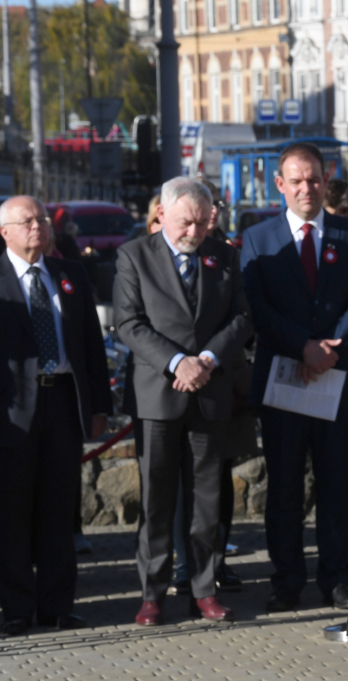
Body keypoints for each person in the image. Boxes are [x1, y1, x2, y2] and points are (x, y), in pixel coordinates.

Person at [240, 142, 348, 613]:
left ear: (326, 180)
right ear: (279, 185)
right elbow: (256, 306)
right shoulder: (258, 239)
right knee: (284, 487)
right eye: (296, 180)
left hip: (337, 378)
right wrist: (302, 346)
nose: (306, 188)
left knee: (337, 484)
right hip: (285, 377)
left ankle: (338, 578)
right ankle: (286, 580)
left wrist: (329, 347)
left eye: (314, 179)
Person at [113, 178, 253, 626]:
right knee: (157, 499)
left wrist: (207, 359)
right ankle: (152, 593)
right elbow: (128, 323)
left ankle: (204, 589)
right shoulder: (134, 255)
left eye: (201, 222)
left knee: (207, 498)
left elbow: (243, 316)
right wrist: (178, 363)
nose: (193, 231)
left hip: (209, 392)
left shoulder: (225, 256)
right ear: (162, 216)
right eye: (184, 222)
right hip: (159, 394)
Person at [0, 197, 111, 636]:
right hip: (12, 413)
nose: (38, 227)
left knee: (59, 509)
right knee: (12, 513)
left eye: (42, 219)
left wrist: (99, 405)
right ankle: (16, 607)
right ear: (4, 230)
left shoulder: (69, 274)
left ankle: (57, 604)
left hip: (63, 403)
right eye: (27, 221)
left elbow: (91, 346)